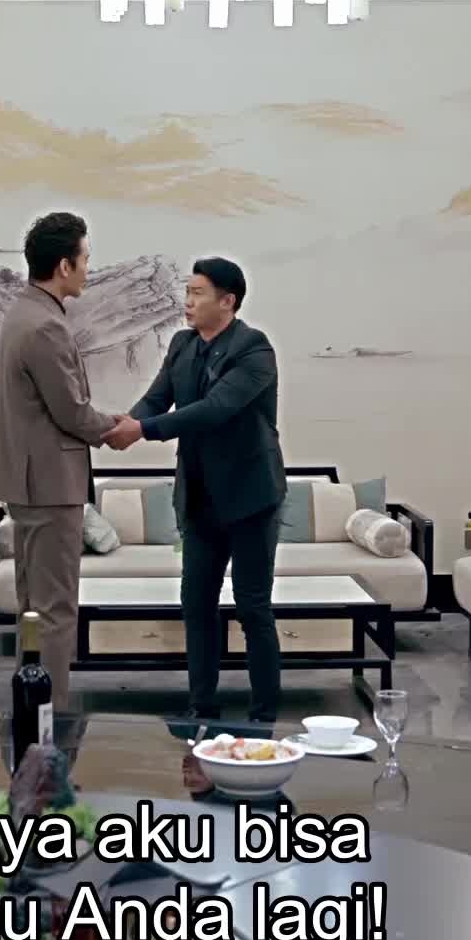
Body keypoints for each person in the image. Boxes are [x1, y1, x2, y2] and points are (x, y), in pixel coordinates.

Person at [104, 258, 286, 724]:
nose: (187, 301)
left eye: (198, 293)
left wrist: (143, 430)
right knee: (197, 605)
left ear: (228, 301)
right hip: (200, 499)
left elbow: (214, 409)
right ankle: (201, 708)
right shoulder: (182, 345)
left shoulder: (255, 349)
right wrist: (126, 423)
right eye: (187, 291)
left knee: (253, 608)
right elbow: (157, 397)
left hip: (250, 498)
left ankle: (265, 715)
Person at [0, 212, 119, 712]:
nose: (88, 268)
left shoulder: (23, 312)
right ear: (64, 265)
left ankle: (31, 709)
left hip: (29, 483)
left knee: (33, 609)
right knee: (56, 611)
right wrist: (116, 428)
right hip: (49, 485)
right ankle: (51, 718)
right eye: (85, 259)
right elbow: (71, 411)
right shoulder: (46, 325)